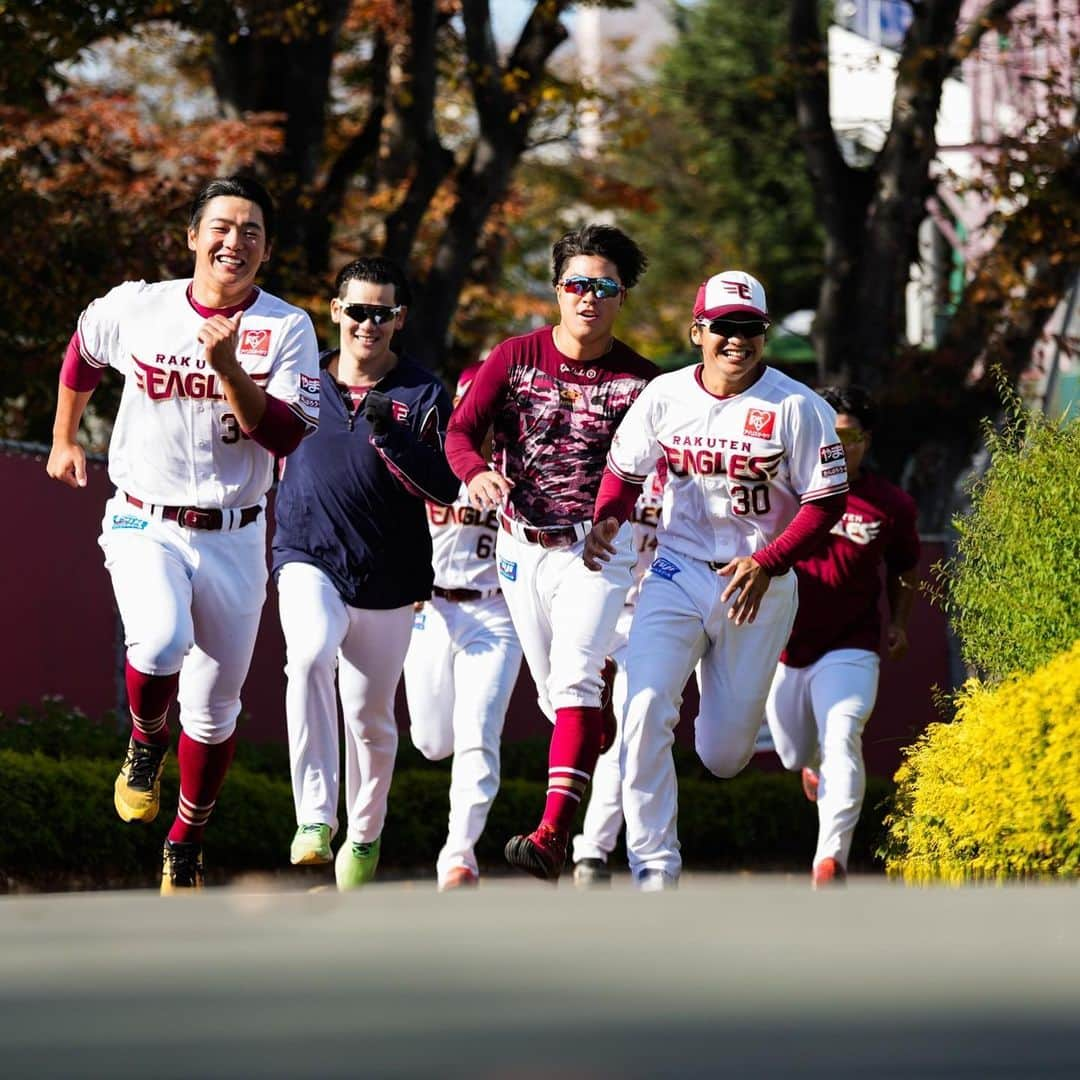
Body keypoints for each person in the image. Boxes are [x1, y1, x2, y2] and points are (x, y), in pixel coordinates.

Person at [46, 175, 321, 893]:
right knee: (161, 640)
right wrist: (64, 437)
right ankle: (143, 742)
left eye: (252, 231)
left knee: (215, 707)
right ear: (194, 236)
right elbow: (84, 351)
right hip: (145, 515)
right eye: (222, 227)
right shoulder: (141, 305)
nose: (236, 241)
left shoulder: (287, 327)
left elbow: (287, 430)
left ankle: (186, 840)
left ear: (266, 251)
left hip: (234, 531)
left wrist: (229, 367)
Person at [585, 269, 848, 890]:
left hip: (759, 581)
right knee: (643, 707)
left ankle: (715, 712)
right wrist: (605, 520)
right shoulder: (665, 395)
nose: (738, 340)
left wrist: (769, 561)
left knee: (724, 758)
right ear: (697, 330)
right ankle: (654, 864)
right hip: (676, 569)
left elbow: (827, 499)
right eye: (724, 327)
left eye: (750, 328)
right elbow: (623, 471)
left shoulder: (797, 406)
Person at [445, 224, 656, 882]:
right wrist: (476, 472)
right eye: (576, 285)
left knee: (575, 681)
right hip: (518, 546)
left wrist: (616, 517)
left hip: (597, 551)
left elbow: (657, 471)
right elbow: (460, 431)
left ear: (622, 297)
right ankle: (593, 734)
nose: (587, 298)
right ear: (556, 290)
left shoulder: (643, 382)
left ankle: (552, 833)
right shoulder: (515, 356)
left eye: (603, 287)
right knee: (558, 701)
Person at [272, 256, 459, 891]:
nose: (368, 324)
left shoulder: (423, 391)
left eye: (382, 313)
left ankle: (365, 832)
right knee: (308, 654)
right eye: (357, 310)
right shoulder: (299, 378)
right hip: (306, 555)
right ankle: (314, 818)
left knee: (370, 717)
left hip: (387, 576)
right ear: (336, 311)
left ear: (399, 319)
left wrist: (394, 438)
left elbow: (446, 483)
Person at [764, 385, 920, 887]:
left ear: (865, 441)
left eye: (848, 436)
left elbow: (905, 568)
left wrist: (897, 621)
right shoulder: (785, 490)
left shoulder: (890, 504)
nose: (837, 445)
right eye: (828, 434)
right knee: (792, 752)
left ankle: (830, 859)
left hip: (851, 645)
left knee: (843, 734)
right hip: (783, 647)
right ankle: (810, 768)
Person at [403, 364, 525, 891]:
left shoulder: (520, 461)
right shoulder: (429, 451)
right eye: (470, 399)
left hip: (495, 612)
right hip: (429, 608)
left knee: (479, 731)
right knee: (431, 741)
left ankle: (459, 855)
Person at [571, 463, 665, 887]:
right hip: (596, 608)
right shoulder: (600, 465)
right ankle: (587, 844)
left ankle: (593, 848)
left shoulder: (685, 462)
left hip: (652, 616)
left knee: (631, 731)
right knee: (569, 718)